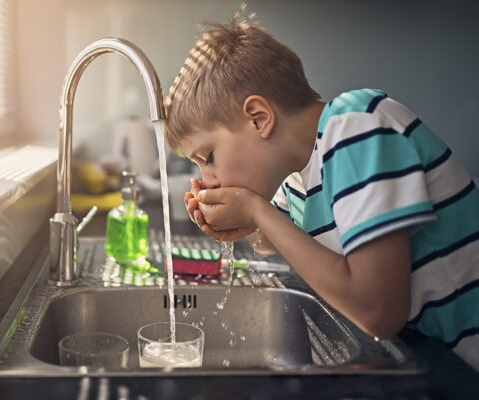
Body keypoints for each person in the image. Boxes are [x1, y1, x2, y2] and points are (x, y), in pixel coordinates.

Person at [163, 9, 479, 371]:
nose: (208, 178)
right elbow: (273, 243)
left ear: (258, 118)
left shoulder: (355, 127)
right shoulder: (296, 173)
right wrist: (245, 226)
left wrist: (255, 211)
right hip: (446, 355)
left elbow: (378, 313)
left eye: (208, 156)